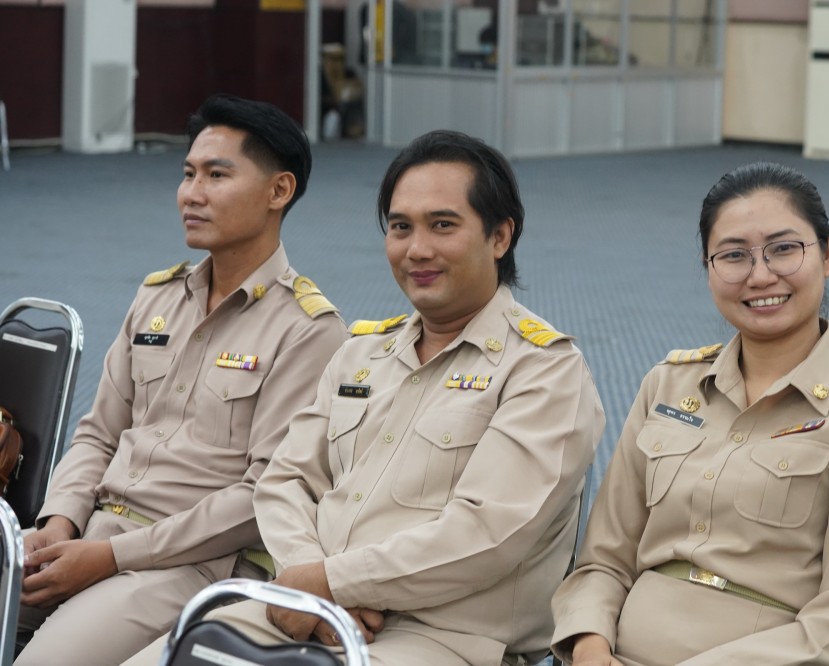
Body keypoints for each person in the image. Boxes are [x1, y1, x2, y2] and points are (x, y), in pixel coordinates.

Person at [125, 129, 605, 666]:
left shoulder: (544, 371)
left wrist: (332, 582)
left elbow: (487, 534)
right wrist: (308, 582)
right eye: (400, 227)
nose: (416, 249)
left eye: (442, 225)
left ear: (500, 237)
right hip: (304, 606)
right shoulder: (362, 353)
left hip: (442, 638)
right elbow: (285, 480)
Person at [15, 94, 348, 665]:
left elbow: (260, 497)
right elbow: (98, 433)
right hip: (91, 532)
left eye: (217, 175)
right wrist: (59, 520)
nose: (192, 193)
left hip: (190, 564)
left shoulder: (307, 330)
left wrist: (111, 556)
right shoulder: (157, 297)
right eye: (188, 174)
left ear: (279, 191)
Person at [550, 162, 829, 665]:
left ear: (828, 254)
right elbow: (602, 562)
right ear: (708, 268)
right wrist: (591, 648)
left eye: (784, 249)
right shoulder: (669, 383)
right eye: (733, 255)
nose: (760, 275)